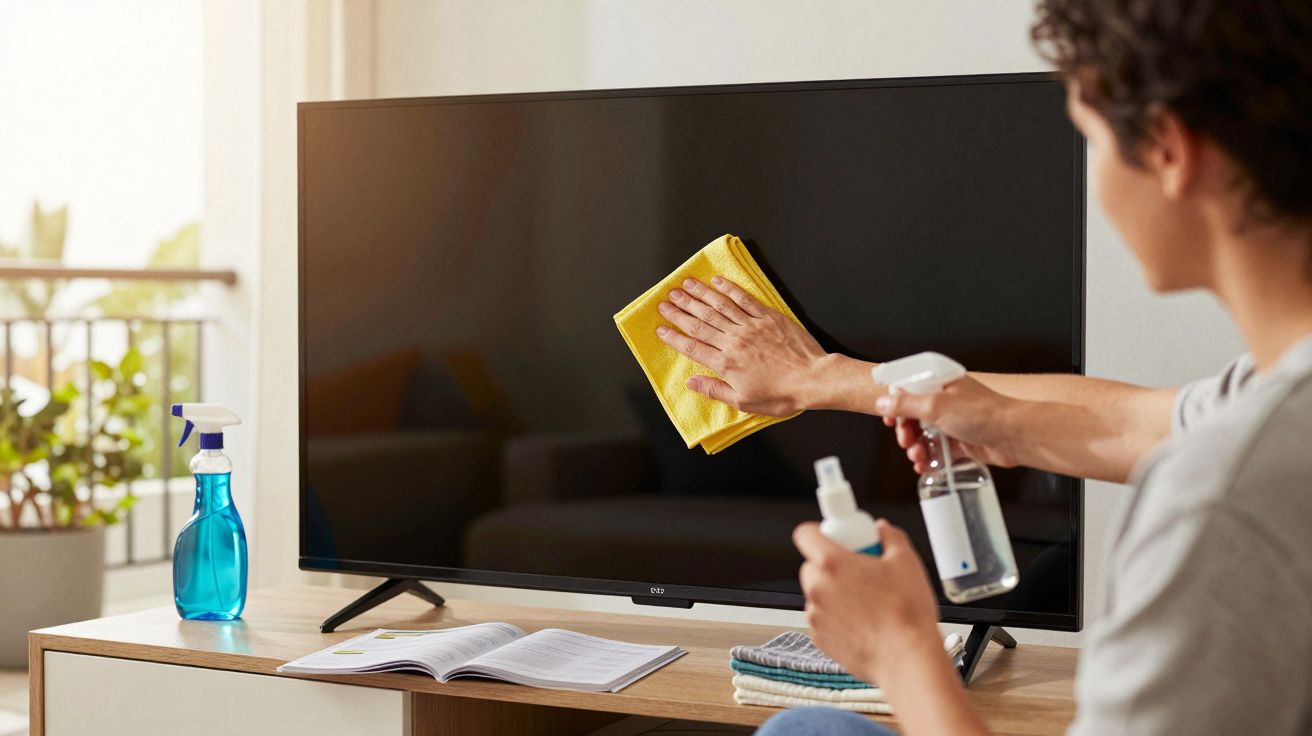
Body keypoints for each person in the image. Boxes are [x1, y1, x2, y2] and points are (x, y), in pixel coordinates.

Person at [652, 1, 1312, 733]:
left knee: (802, 727)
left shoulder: (1222, 503)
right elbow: (1142, 421)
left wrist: (901, 649)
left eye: (1087, 137)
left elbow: (1201, 456)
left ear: (1166, 150)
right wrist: (824, 380)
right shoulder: (1277, 402)